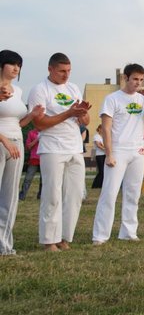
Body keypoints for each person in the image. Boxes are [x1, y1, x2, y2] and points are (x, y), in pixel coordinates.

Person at [92, 63, 144, 245]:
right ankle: (100, 235)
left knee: (133, 194)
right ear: (126, 78)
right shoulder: (112, 99)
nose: (138, 83)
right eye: (135, 79)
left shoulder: (143, 99)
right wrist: (109, 154)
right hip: (117, 150)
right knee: (109, 193)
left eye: (141, 80)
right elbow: (106, 129)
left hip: (137, 151)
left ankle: (128, 232)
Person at [28, 53, 91, 252]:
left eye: (69, 71)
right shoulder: (40, 90)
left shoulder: (72, 88)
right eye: (62, 71)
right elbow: (39, 123)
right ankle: (49, 240)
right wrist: (68, 113)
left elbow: (86, 122)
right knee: (52, 194)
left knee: (74, 195)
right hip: (53, 148)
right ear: (50, 69)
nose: (66, 75)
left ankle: (65, 238)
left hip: (74, 147)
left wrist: (82, 113)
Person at [0, 50, 43, 255]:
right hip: (2, 142)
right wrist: (5, 141)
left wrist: (33, 115)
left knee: (10, 197)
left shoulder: (17, 90)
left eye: (19, 65)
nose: (16, 68)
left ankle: (5, 246)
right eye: (12, 64)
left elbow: (19, 122)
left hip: (15, 142)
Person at [19, 127, 43, 200]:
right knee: (28, 178)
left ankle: (40, 196)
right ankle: (22, 196)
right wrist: (37, 139)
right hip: (34, 158)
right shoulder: (31, 133)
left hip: (45, 158)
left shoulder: (47, 132)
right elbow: (28, 146)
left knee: (44, 180)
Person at [91, 125, 105, 189]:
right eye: (101, 129)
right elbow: (99, 145)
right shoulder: (96, 136)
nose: (102, 130)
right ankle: (95, 185)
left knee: (104, 171)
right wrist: (106, 149)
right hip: (99, 155)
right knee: (101, 171)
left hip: (105, 155)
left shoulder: (104, 137)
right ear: (99, 129)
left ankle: (101, 185)